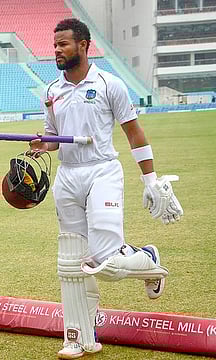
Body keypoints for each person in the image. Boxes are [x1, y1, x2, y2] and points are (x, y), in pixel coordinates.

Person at [29, 19, 183, 359]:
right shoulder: (51, 90)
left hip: (102, 172)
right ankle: (79, 335)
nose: (57, 49)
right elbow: (52, 135)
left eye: (64, 44)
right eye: (55, 44)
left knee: (106, 261)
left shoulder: (109, 84)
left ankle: (149, 259)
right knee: (74, 261)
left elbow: (134, 132)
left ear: (84, 45)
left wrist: (150, 180)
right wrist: (43, 145)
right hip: (68, 177)